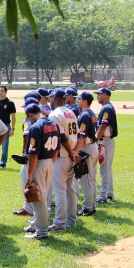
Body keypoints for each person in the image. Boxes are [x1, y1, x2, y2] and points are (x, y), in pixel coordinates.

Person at [23, 103, 60, 240]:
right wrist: (51, 162)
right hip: (49, 162)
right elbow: (57, 148)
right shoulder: (53, 124)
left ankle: (42, 231)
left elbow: (33, 154)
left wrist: (29, 174)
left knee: (38, 198)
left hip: (38, 163)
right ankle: (41, 227)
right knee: (44, 197)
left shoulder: (36, 127)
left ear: (30, 115)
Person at [47, 89, 80, 232]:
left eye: (50, 97)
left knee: (60, 190)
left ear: (54, 98)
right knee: (70, 189)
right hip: (71, 155)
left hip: (62, 156)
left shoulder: (55, 114)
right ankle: (72, 220)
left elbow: (61, 137)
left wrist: (71, 152)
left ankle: (60, 223)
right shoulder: (71, 112)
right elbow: (77, 135)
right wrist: (74, 152)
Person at [73, 92, 99, 216]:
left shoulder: (84, 115)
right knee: (92, 179)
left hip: (87, 148)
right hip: (93, 147)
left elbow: (81, 137)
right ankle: (92, 205)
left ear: (86, 101)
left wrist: (74, 152)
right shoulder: (92, 114)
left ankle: (88, 207)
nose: (78, 101)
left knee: (86, 180)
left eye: (79, 99)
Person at [94, 87, 118, 203]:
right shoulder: (107, 107)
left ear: (105, 95)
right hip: (106, 140)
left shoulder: (107, 108)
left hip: (106, 141)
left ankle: (103, 196)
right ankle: (109, 193)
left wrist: (95, 140)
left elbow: (103, 126)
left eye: (99, 94)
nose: (97, 96)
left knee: (104, 169)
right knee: (107, 168)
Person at [0, 86, 16, 169]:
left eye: (2, 91)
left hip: (6, 126)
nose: (0, 93)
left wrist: (13, 128)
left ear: (5, 92)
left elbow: (13, 116)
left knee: (5, 146)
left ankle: (3, 164)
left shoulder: (10, 103)